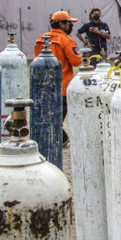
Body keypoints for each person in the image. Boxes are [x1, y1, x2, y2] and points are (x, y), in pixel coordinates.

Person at [35, 11, 83, 146]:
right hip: (62, 86)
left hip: (44, 85)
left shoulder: (41, 38)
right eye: (69, 23)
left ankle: (53, 138)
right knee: (57, 117)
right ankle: (60, 139)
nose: (71, 26)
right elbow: (76, 61)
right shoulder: (66, 40)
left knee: (47, 114)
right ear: (61, 24)